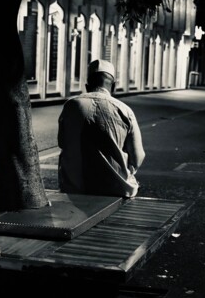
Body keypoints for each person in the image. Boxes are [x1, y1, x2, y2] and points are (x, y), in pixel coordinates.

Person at [58, 59, 145, 198]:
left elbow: (62, 142)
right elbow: (138, 157)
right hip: (117, 188)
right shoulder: (125, 110)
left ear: (87, 86)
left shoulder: (71, 105)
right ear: (114, 86)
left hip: (75, 187)